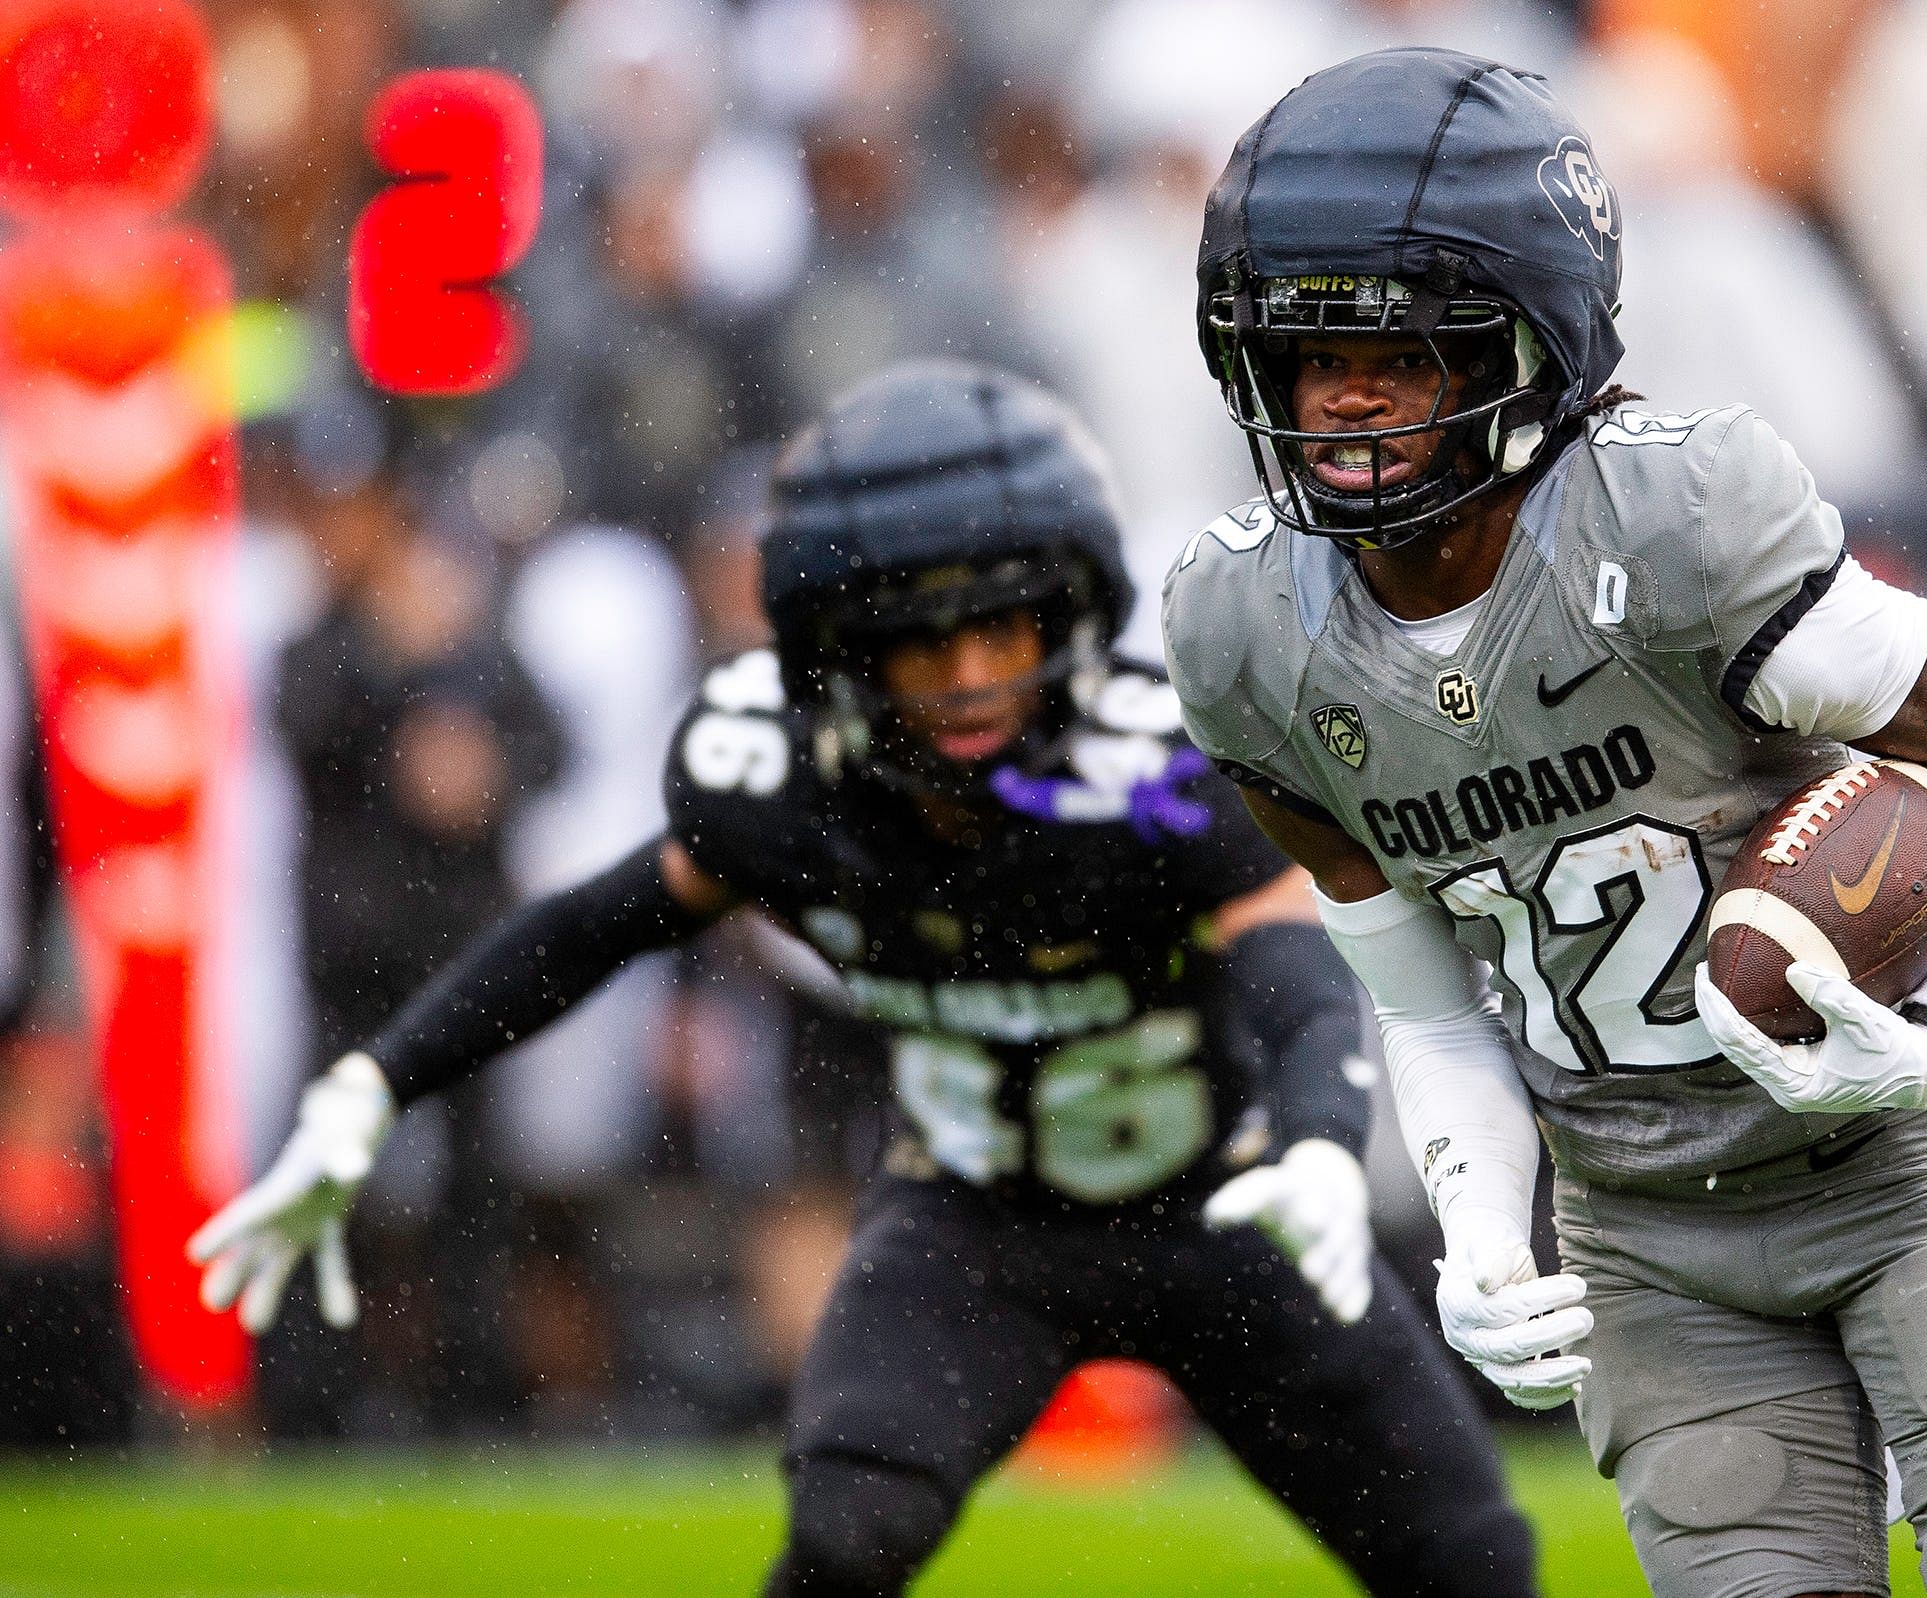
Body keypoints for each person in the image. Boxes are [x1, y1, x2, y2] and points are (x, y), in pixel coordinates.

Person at [188, 361, 1537, 1598]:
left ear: (1067, 610)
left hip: (1224, 1208)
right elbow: (589, 929)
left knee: (1469, 1558)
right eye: (920, 635)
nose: (968, 675)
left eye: (1003, 627)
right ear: (840, 644)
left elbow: (1289, 960)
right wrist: (379, 1079)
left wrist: (1311, 1140)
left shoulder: (1159, 770)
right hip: (974, 1222)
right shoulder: (781, 784)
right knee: (842, 1538)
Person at [1165, 48, 1927, 1598]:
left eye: (1403, 351)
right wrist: (1485, 1229)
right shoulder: (1247, 635)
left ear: (1529, 340)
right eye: (1301, 355)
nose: (1341, 398)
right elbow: (1429, 1003)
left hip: (1890, 1165)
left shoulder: (1672, 529)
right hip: (1642, 1225)